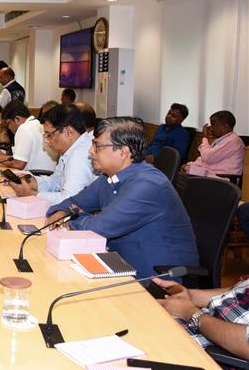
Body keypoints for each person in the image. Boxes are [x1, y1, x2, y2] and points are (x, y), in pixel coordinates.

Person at [45, 117, 199, 277]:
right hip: (118, 262)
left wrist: (70, 220)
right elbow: (74, 202)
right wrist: (62, 212)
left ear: (123, 152)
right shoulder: (109, 177)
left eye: (97, 146)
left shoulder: (148, 185)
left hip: (157, 277)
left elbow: (99, 227)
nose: (90, 151)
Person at [8, 104, 97, 204]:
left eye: (49, 135)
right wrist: (34, 182)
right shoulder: (70, 149)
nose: (46, 141)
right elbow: (56, 181)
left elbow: (70, 201)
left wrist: (32, 194)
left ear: (69, 132)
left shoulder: (81, 156)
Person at [153, 276, 249, 359]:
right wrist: (190, 295)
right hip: (203, 321)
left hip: (215, 353)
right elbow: (234, 291)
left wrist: (190, 313)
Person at [0, 101, 57, 171]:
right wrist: (3, 157)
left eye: (8, 123)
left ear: (17, 119)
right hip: (43, 175)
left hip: (35, 177)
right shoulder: (36, 124)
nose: (9, 128)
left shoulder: (24, 128)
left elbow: (18, 164)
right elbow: (21, 158)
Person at [182, 110, 244, 178]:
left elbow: (207, 157)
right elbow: (204, 159)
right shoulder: (223, 139)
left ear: (225, 126)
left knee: (181, 181)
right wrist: (190, 165)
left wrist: (205, 137)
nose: (211, 128)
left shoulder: (233, 140)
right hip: (210, 175)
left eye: (213, 125)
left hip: (222, 179)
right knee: (180, 174)